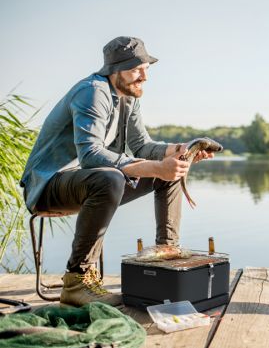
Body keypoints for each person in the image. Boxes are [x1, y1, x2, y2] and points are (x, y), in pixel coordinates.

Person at [20, 36, 214, 307]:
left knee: (170, 171)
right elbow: (90, 155)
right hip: (48, 186)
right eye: (136, 68)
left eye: (146, 67)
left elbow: (142, 146)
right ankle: (77, 280)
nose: (144, 76)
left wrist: (181, 150)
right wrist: (158, 167)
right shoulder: (92, 92)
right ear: (115, 69)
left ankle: (165, 253)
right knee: (111, 177)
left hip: (93, 183)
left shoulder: (128, 97)